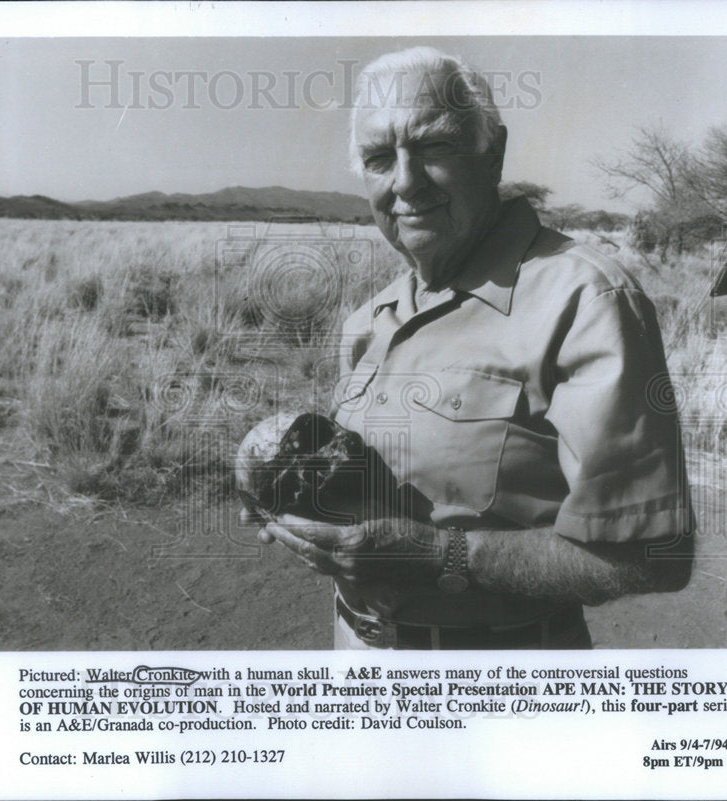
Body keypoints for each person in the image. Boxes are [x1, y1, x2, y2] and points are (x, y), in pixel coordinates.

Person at [257, 47, 694, 649]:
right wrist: (294, 503)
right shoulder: (371, 318)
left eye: (433, 147)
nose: (405, 182)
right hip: (354, 653)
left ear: (493, 153)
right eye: (380, 158)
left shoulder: (586, 299)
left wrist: (441, 557)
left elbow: (652, 557)